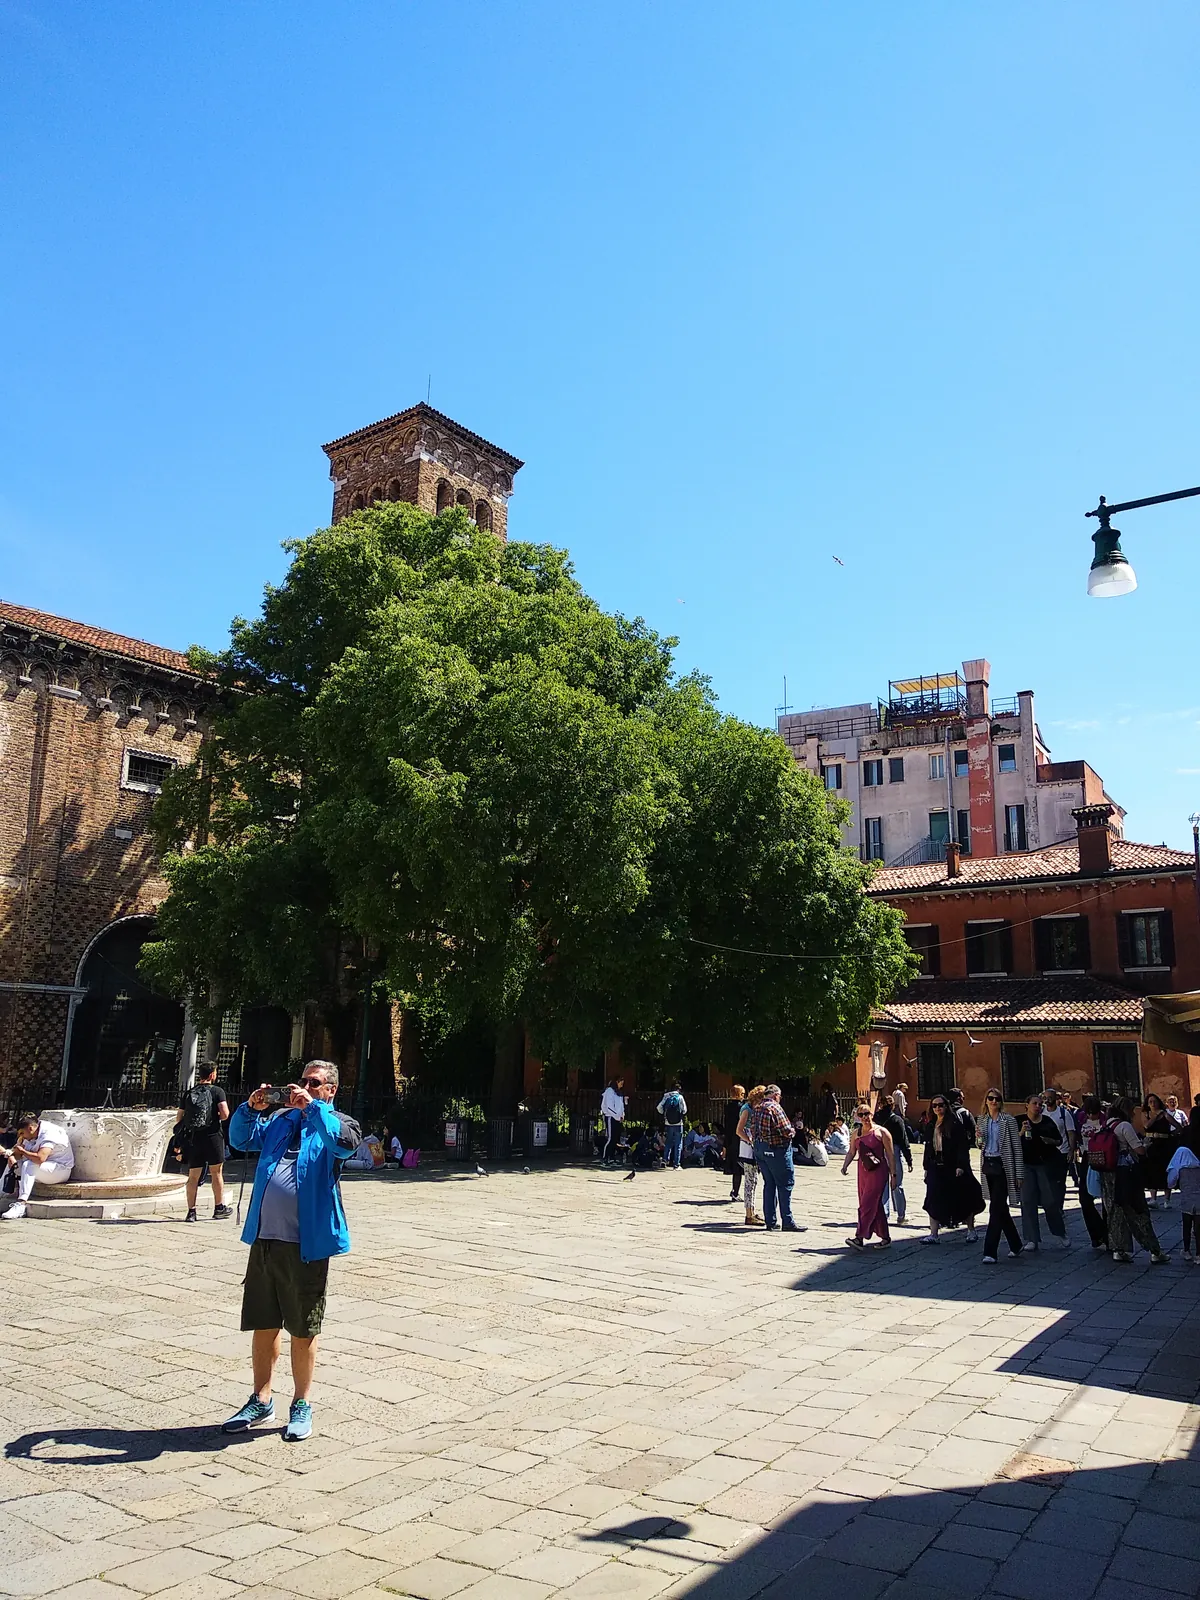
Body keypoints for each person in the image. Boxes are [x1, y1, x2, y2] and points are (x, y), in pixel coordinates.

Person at [222, 1061, 361, 1442]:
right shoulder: (281, 1121)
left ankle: (301, 1402)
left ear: (330, 1090)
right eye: (302, 1081)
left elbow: (343, 1145)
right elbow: (241, 1140)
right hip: (265, 1238)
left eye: (314, 1083)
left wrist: (312, 1108)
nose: (304, 1087)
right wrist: (251, 1108)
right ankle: (261, 1398)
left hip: (306, 1244)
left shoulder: (339, 1122)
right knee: (263, 1321)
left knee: (303, 1326)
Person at [1103, 1098, 1169, 1264]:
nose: (1134, 1112)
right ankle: (1155, 1251)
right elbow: (1139, 1150)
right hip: (1126, 1173)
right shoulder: (1124, 1126)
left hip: (1109, 1174)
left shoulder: (1107, 1124)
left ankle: (1118, 1250)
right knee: (1138, 1211)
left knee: (1116, 1213)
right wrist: (1145, 1145)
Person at [173, 1060, 232, 1222]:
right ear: (212, 1075)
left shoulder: (189, 1093)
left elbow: (179, 1118)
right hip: (213, 1136)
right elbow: (225, 1114)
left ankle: (191, 1212)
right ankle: (219, 1208)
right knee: (216, 1172)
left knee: (193, 1176)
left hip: (194, 1138)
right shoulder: (218, 1091)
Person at [920, 1095, 981, 1241]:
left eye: (940, 1105)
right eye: (934, 1105)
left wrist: (961, 1165)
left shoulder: (954, 1124)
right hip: (935, 1165)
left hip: (952, 1166)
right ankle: (933, 1234)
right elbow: (928, 1148)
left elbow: (962, 1146)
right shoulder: (931, 1125)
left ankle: (971, 1230)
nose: (937, 1108)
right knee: (932, 1198)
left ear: (946, 1106)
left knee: (963, 1197)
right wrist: (926, 1167)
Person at [1016, 1095, 1070, 1250]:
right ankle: (1031, 1239)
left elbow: (1059, 1140)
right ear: (1027, 1105)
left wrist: (1050, 1141)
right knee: (1027, 1201)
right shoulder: (1019, 1121)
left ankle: (1060, 1232)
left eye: (1040, 1104)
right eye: (1035, 1103)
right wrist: (1021, 1132)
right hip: (1026, 1165)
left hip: (1045, 1164)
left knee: (1050, 1201)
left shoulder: (1047, 1122)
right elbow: (1011, 1141)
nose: (1038, 1107)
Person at [976, 1090, 1024, 1262]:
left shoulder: (1008, 1120)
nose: (993, 1101)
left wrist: (1019, 1173)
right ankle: (1016, 1244)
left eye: (997, 1099)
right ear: (986, 1101)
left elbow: (1017, 1147)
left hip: (1004, 1166)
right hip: (988, 1165)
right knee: (1001, 1208)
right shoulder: (982, 1120)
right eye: (990, 1098)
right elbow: (979, 1145)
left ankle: (990, 1252)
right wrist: (979, 1138)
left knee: (995, 1209)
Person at [748, 1084, 802, 1232]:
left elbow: (752, 1129)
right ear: (776, 1095)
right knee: (785, 1185)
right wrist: (793, 1131)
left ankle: (770, 1221)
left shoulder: (757, 1108)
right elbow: (785, 1130)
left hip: (760, 1149)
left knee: (769, 1184)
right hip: (777, 1150)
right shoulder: (775, 1108)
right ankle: (787, 1221)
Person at [841, 1102, 895, 1249]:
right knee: (874, 1205)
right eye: (861, 1115)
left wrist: (894, 1175)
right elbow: (851, 1152)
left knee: (867, 1204)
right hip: (863, 1172)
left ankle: (859, 1238)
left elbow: (890, 1155)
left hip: (878, 1172)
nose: (864, 1117)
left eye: (866, 1113)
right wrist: (845, 1165)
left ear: (872, 1114)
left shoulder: (882, 1132)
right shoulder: (856, 1134)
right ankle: (885, 1237)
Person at [1, 1112, 74, 1219]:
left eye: (22, 1133)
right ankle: (1, 1194)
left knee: (29, 1164)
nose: (21, 1136)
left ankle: (21, 1204)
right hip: (42, 1169)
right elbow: (18, 1154)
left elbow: (40, 1159)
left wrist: (23, 1151)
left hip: (59, 1170)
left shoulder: (49, 1133)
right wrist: (12, 1156)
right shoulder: (31, 1134)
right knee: (14, 1163)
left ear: (30, 1128)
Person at [1075, 1095, 1109, 1251]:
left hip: (1102, 1158)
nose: (1091, 1116)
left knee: (1106, 1198)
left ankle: (1109, 1235)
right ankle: (1097, 1234)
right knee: (1084, 1199)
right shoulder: (1080, 1119)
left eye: (1093, 1113)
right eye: (1088, 1112)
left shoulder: (1105, 1121)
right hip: (1086, 1158)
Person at [947, 1087, 980, 1242]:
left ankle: (951, 1219)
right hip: (962, 1157)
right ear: (959, 1098)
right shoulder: (965, 1113)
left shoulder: (943, 1113)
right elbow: (973, 1134)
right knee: (968, 1191)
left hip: (945, 1159)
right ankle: (969, 1226)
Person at [874, 1092, 912, 1224]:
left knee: (883, 1184)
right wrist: (909, 1159)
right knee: (897, 1183)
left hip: (880, 1151)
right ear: (892, 1106)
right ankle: (901, 1215)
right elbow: (903, 1140)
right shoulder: (896, 1120)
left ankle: (884, 1214)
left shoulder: (876, 1118)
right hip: (894, 1151)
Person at [1141, 1093, 1176, 1208]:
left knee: (1165, 1170)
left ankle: (1167, 1200)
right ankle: (1153, 1199)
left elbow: (1178, 1126)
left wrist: (1171, 1135)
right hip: (1151, 1145)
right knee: (1152, 1170)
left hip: (1164, 1145)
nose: (1153, 1104)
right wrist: (1155, 1115)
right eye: (1150, 1102)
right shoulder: (1146, 1114)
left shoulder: (1165, 1114)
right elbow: (1146, 1126)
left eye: (1154, 1101)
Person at [735, 1089, 764, 1227]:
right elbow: (739, 1130)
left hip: (751, 1147)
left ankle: (751, 1211)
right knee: (749, 1182)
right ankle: (749, 1214)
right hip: (748, 1149)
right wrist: (750, 1140)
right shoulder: (747, 1109)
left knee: (753, 1181)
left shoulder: (752, 1108)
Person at [657, 1083, 687, 1169]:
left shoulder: (666, 1096)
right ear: (678, 1090)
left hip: (668, 1123)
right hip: (678, 1124)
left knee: (668, 1142)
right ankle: (676, 1164)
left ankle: (665, 1160)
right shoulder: (680, 1097)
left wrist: (664, 1114)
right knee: (678, 1144)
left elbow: (659, 1107)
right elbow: (685, 1110)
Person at [724, 1086, 746, 1202]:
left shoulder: (728, 1107)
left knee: (735, 1166)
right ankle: (736, 1192)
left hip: (730, 1139)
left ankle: (735, 1191)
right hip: (740, 1138)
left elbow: (727, 1126)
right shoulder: (742, 1107)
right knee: (739, 1167)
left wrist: (725, 1143)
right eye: (742, 1094)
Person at [599, 1077, 626, 1167]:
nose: (622, 1085)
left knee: (615, 1139)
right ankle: (605, 1158)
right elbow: (609, 1106)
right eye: (621, 1083)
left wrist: (622, 1115)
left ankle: (611, 1158)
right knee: (610, 1138)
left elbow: (621, 1106)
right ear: (616, 1082)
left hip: (617, 1118)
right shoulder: (609, 1091)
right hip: (610, 1117)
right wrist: (616, 1115)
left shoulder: (619, 1093)